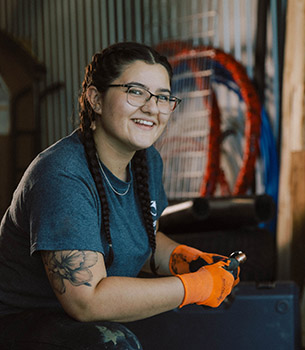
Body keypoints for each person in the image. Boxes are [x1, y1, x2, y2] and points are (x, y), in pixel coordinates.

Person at [0, 42, 240, 349]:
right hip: (19, 324)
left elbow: (141, 238)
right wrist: (194, 287)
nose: (152, 107)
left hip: (75, 322)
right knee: (115, 342)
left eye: (163, 97)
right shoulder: (62, 175)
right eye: (136, 91)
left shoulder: (147, 161)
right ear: (96, 99)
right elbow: (86, 302)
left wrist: (187, 261)